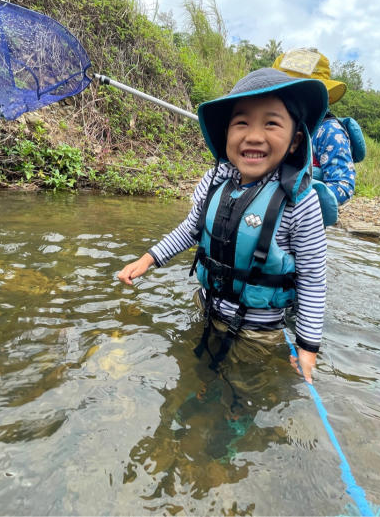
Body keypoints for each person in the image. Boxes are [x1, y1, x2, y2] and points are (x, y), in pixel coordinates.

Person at [118, 68, 329, 383]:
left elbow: (312, 279)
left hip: (259, 333)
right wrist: (148, 259)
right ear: (226, 134)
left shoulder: (300, 200)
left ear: (296, 140)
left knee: (242, 397)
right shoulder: (215, 181)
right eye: (241, 122)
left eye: (271, 123)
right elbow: (190, 229)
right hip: (207, 309)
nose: (254, 135)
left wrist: (307, 347)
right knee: (191, 376)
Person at [272, 48, 356, 205]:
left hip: (302, 217)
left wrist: (301, 207)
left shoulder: (329, 131)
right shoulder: (270, 124)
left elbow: (343, 185)